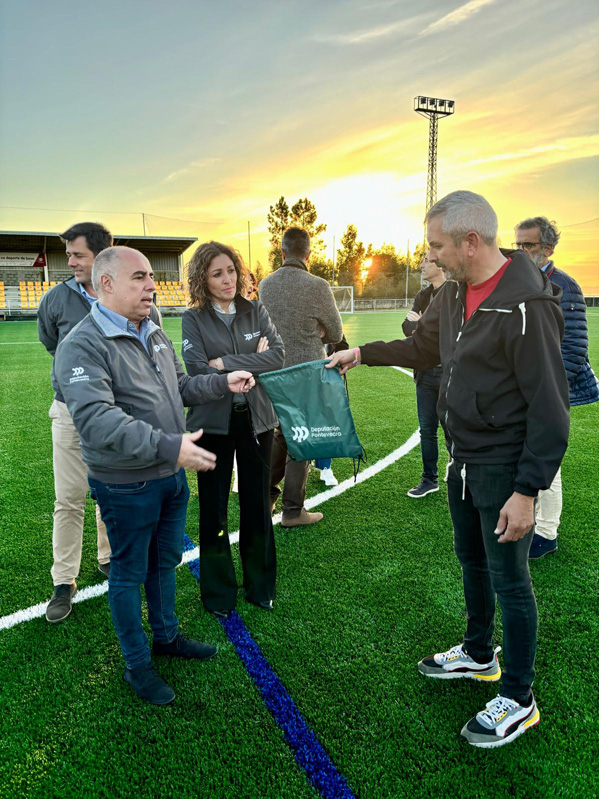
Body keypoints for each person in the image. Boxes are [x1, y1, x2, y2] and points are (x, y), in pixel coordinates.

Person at [327, 190, 569, 748]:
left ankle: (520, 695)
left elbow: (551, 412)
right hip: (462, 457)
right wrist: (362, 354)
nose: (428, 255)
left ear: (470, 241)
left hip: (504, 466)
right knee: (472, 562)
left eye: (436, 245)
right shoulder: (455, 292)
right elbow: (424, 348)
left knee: (511, 579)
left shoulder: (528, 305)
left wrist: (527, 491)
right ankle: (480, 653)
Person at [54, 246, 254, 705]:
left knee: (164, 563)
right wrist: (170, 446)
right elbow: (98, 421)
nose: (151, 286)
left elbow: (180, 386)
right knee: (128, 573)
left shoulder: (155, 330)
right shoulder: (81, 345)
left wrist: (222, 382)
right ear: (106, 284)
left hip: (169, 473)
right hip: (126, 483)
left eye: (151, 277)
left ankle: (166, 636)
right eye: (140, 277)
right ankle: (137, 664)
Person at [37, 222, 161, 624]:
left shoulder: (139, 298)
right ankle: (63, 581)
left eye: (78, 255)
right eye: (69, 254)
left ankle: (108, 556)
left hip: (120, 414)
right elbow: (53, 345)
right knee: (69, 497)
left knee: (114, 490)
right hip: (70, 413)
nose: (70, 262)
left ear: (102, 257)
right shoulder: (55, 300)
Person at [181, 242, 284, 618]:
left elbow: (277, 356)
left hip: (257, 420)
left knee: (257, 505)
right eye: (217, 274)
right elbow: (194, 369)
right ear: (202, 280)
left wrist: (224, 360)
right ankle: (218, 593)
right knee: (213, 509)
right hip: (212, 423)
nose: (227, 280)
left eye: (231, 271)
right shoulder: (193, 318)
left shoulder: (255, 309)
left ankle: (261, 586)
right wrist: (249, 362)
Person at [514, 216, 599, 559]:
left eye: (528, 245)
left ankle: (546, 533)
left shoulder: (565, 285)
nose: (520, 250)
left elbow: (574, 349)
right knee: (521, 456)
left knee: (545, 459)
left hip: (549, 390)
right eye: (517, 244)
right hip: (521, 388)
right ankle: (525, 520)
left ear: (548, 249)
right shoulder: (514, 281)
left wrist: (544, 392)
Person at [259, 227, 343, 527]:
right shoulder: (318, 285)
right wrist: (317, 330)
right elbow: (335, 333)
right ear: (308, 254)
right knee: (302, 440)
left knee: (282, 434)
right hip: (307, 373)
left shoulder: (265, 286)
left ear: (282, 253)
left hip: (273, 373)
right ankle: (293, 511)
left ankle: (264, 499)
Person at [402, 257, 448, 498]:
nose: (421, 266)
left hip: (451, 373)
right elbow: (406, 327)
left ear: (440, 265)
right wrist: (423, 327)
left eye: (426, 262)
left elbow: (450, 332)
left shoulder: (454, 292)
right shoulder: (422, 296)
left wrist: (422, 325)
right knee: (427, 430)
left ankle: (458, 471)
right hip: (426, 374)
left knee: (454, 428)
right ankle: (430, 479)